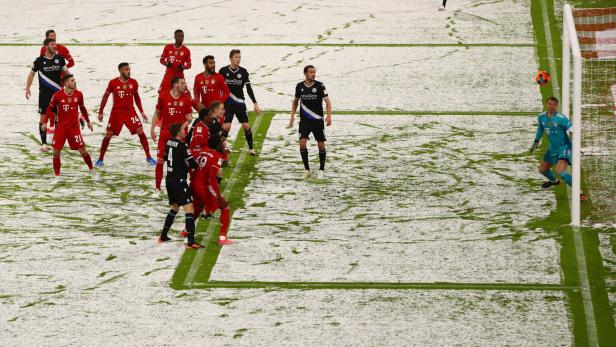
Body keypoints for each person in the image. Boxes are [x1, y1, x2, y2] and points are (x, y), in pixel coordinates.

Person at [96, 62, 155, 167]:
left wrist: (142, 112)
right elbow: (105, 97)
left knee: (140, 130)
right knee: (108, 135)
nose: (129, 71)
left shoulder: (134, 83)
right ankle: (100, 159)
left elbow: (137, 98)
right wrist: (101, 111)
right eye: (126, 69)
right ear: (120, 71)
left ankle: (148, 157)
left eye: (129, 69)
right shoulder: (113, 82)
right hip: (116, 113)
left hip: (130, 112)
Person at [530, 96, 587, 200]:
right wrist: (536, 141)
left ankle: (579, 192)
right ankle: (554, 181)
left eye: (554, 104)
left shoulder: (562, 119)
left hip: (564, 148)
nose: (551, 106)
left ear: (556, 106)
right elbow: (541, 128)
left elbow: (572, 131)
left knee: (560, 170)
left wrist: (576, 145)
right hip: (552, 148)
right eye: (550, 104)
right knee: (542, 170)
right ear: (546, 104)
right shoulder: (541, 117)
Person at [158, 123, 204, 249]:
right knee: (189, 209)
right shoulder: (183, 145)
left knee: (175, 207)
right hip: (179, 181)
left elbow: (166, 158)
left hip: (169, 180)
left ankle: (163, 235)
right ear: (178, 132)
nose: (185, 131)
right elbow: (191, 163)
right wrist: (198, 164)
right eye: (183, 129)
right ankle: (191, 242)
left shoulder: (168, 143)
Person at [43, 74, 96, 181]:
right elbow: (49, 108)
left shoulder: (79, 94)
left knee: (83, 150)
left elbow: (83, 108)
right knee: (56, 152)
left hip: (74, 127)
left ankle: (92, 170)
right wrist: (45, 122)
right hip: (61, 128)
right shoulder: (57, 95)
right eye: (72, 81)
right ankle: (57, 177)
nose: (74, 82)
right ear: (66, 83)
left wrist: (88, 121)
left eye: (74, 80)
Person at [150, 76, 193, 192]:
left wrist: (182, 128)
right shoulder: (163, 97)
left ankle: (189, 185)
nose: (185, 85)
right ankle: (157, 189)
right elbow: (158, 114)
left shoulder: (186, 99)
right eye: (182, 83)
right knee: (160, 161)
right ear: (175, 85)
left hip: (180, 136)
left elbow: (190, 118)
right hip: (165, 134)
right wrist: (152, 128)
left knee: (184, 161)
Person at [26, 38, 68, 152]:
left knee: (58, 117)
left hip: (58, 94)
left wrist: (71, 88)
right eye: (52, 44)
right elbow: (31, 74)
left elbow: (67, 74)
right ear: (46, 46)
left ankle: (57, 141)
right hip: (44, 95)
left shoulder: (60, 59)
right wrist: (28, 88)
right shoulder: (39, 61)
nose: (55, 46)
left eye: (55, 44)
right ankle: (44, 143)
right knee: (43, 117)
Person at [289, 65, 332, 179]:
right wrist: (292, 116)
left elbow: (327, 102)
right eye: (311, 72)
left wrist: (329, 116)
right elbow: (295, 102)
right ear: (305, 73)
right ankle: (307, 169)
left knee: (321, 145)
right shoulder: (299, 86)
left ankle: (321, 169)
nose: (313, 74)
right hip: (304, 122)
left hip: (317, 121)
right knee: (302, 144)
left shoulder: (320, 85)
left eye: (314, 72)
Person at [219, 49, 260, 155]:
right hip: (227, 102)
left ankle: (251, 148)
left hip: (240, 103)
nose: (238, 59)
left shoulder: (243, 72)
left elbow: (249, 89)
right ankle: (221, 148)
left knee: (246, 126)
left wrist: (255, 103)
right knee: (227, 126)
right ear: (231, 58)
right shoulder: (223, 71)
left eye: (239, 57)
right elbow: (219, 87)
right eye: (236, 57)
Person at [202, 134, 232, 245]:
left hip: (196, 183)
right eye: (222, 142)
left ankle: (185, 232)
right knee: (225, 207)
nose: (224, 143)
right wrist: (218, 194)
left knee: (195, 209)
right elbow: (212, 177)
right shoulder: (215, 156)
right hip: (207, 184)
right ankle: (222, 238)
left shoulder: (206, 151)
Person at [158, 29, 191, 94]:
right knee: (162, 94)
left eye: (182, 36)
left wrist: (183, 67)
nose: (181, 38)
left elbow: (189, 65)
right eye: (179, 36)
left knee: (186, 95)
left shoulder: (186, 50)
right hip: (168, 76)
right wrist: (166, 63)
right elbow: (161, 60)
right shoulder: (168, 47)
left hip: (179, 77)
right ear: (174, 37)